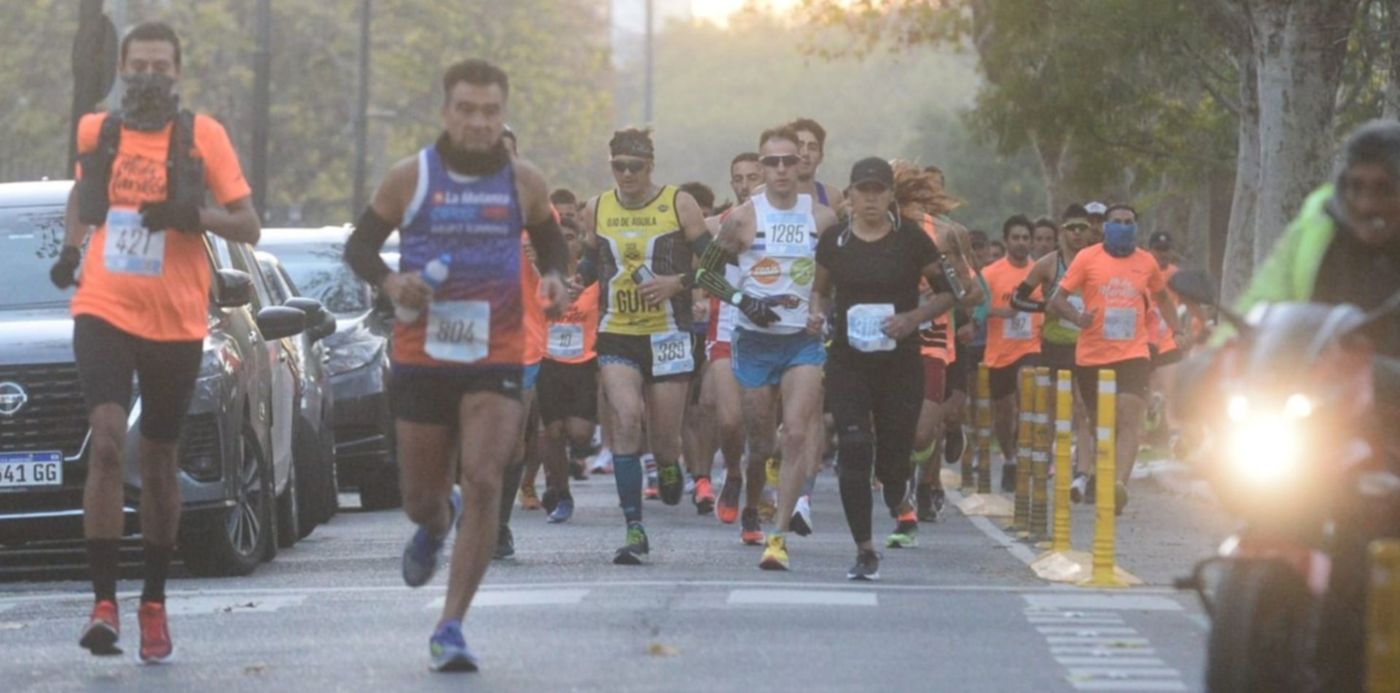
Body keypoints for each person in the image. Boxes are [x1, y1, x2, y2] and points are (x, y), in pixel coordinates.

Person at [343, 58, 568, 671]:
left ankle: (451, 626)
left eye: (490, 111)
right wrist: (392, 283)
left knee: (487, 478)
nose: (478, 122)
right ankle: (432, 526)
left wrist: (552, 278)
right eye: (466, 110)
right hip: (424, 353)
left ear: (503, 116)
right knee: (422, 497)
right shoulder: (409, 177)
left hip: (496, 351)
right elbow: (359, 247)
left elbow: (551, 240)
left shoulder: (523, 181)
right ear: (446, 112)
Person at [49, 21, 261, 664]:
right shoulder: (97, 131)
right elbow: (82, 198)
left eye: (161, 67)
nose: (149, 77)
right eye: (138, 65)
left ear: (177, 73)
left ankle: (154, 602)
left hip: (174, 317)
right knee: (109, 443)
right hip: (104, 308)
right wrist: (69, 250)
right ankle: (104, 604)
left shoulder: (204, 138)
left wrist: (189, 216)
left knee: (161, 461)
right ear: (122, 67)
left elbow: (249, 223)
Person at [1204, 119, 1400, 693]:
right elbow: (1265, 300)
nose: (1366, 202)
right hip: (1328, 413)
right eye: (1356, 186)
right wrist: (1208, 366)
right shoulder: (1319, 221)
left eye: (1383, 188)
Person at [694, 125, 839, 569]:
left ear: (801, 164)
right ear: (761, 166)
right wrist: (743, 301)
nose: (780, 169)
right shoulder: (743, 217)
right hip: (754, 342)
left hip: (802, 343)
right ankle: (751, 500)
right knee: (761, 446)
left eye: (788, 161)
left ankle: (777, 537)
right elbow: (706, 276)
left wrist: (819, 304)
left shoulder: (823, 218)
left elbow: (832, 275)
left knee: (795, 433)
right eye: (771, 162)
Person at [809, 157, 957, 581]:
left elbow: (949, 295)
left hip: (899, 362)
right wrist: (816, 314)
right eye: (862, 191)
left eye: (878, 191)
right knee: (854, 448)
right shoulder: (834, 241)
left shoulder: (912, 241)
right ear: (850, 196)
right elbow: (819, 292)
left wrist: (913, 318)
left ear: (891, 196)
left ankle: (896, 487)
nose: (870, 199)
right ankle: (865, 549)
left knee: (894, 453)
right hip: (849, 361)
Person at [577, 127, 710, 564]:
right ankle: (634, 527)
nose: (627, 173)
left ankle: (671, 466)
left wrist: (679, 283)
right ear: (611, 165)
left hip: (670, 333)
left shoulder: (679, 203)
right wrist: (563, 290)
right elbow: (587, 266)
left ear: (650, 165)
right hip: (618, 333)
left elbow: (714, 263)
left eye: (635, 166)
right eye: (619, 166)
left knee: (665, 436)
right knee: (627, 420)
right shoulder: (596, 208)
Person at [1048, 205, 1184, 516]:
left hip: (1133, 353)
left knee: (1128, 416)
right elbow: (1057, 299)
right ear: (1105, 226)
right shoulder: (1088, 258)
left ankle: (1117, 488)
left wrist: (1177, 330)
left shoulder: (1146, 261)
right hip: (1092, 354)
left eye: (1129, 223)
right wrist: (1077, 317)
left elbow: (1162, 297)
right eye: (1117, 222)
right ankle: (1102, 473)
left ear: (1136, 227)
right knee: (1101, 424)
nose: (1123, 227)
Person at [891, 162, 983, 527]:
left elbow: (974, 290)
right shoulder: (870, 230)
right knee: (890, 427)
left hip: (932, 337)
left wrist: (943, 293)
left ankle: (925, 481)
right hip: (884, 339)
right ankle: (904, 483)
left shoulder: (947, 234)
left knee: (923, 431)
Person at [1011, 204, 1097, 500]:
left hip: (1087, 346)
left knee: (1083, 409)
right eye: (1071, 228)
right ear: (1062, 231)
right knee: (1048, 409)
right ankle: (1042, 461)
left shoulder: (1098, 261)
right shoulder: (1049, 264)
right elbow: (1016, 299)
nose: (1076, 234)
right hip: (1054, 346)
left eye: (1082, 228)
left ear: (1090, 231)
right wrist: (1042, 306)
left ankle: (1082, 473)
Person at [537, 217, 600, 523]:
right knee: (553, 431)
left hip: (584, 364)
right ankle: (560, 491)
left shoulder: (594, 279)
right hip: (547, 362)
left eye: (571, 236)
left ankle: (575, 461)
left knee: (579, 433)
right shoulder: (539, 279)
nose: (565, 243)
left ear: (580, 242)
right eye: (558, 238)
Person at [980, 215, 1042, 491]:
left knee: (1026, 388)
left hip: (1031, 347)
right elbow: (976, 308)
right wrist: (1000, 311)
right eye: (1015, 238)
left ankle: (1029, 453)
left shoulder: (1040, 272)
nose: (1021, 243)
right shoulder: (991, 274)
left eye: (1025, 238)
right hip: (999, 353)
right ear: (1006, 241)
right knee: (1004, 412)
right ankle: (1009, 457)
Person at [789, 117, 845, 212]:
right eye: (799, 146)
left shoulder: (832, 197)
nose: (805, 153)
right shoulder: (767, 195)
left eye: (812, 148)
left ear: (821, 157)